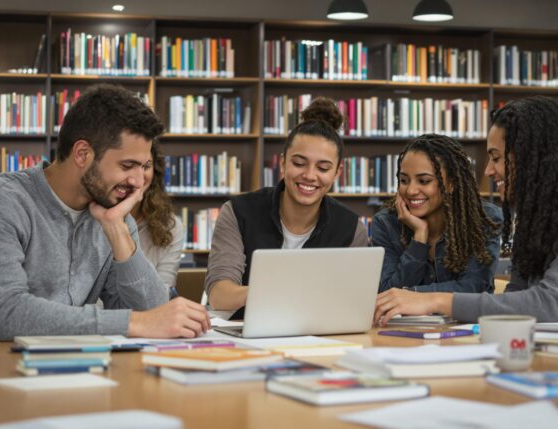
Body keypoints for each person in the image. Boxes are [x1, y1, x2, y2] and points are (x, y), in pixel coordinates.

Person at [0, 84, 210, 428]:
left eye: (145, 166)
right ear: (82, 154)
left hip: (61, 382)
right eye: (127, 165)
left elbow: (153, 314)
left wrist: (118, 231)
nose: (139, 182)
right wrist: (133, 323)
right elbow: (4, 315)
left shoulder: (111, 213)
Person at [375, 96, 558, 325]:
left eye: (497, 158)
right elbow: (519, 295)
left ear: (534, 157)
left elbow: (554, 303)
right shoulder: (539, 209)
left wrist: (435, 301)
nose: (488, 170)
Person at [205, 97, 369, 319]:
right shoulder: (238, 212)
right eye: (299, 163)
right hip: (243, 332)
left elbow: (354, 302)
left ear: (337, 172)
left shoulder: (350, 228)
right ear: (282, 163)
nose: (310, 176)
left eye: (323, 167)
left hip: (319, 336)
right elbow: (219, 295)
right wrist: (283, 292)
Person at [373, 134, 501, 299]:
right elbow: (385, 291)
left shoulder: (484, 218)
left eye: (424, 181)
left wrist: (410, 295)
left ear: (451, 184)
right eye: (404, 180)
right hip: (402, 325)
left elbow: (473, 287)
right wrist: (419, 239)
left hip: (465, 323)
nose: (411, 190)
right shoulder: (385, 223)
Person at [131, 142, 185, 299]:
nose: (138, 176)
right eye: (128, 165)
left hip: (148, 317)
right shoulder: (93, 218)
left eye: (146, 166)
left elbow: (163, 295)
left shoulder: (169, 226)